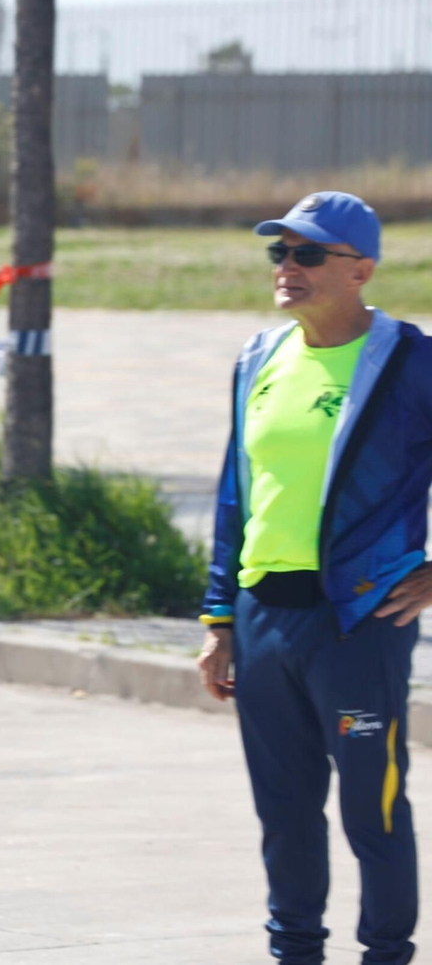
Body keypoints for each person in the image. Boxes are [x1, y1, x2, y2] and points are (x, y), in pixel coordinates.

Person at [197, 191, 432, 965]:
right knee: (286, 810)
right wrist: (219, 619)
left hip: (361, 621)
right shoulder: (258, 358)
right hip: (267, 619)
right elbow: (236, 492)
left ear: (360, 269)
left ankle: (387, 955)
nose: (286, 269)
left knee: (374, 807)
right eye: (279, 253)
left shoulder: (408, 361)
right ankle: (294, 953)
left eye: (308, 255)